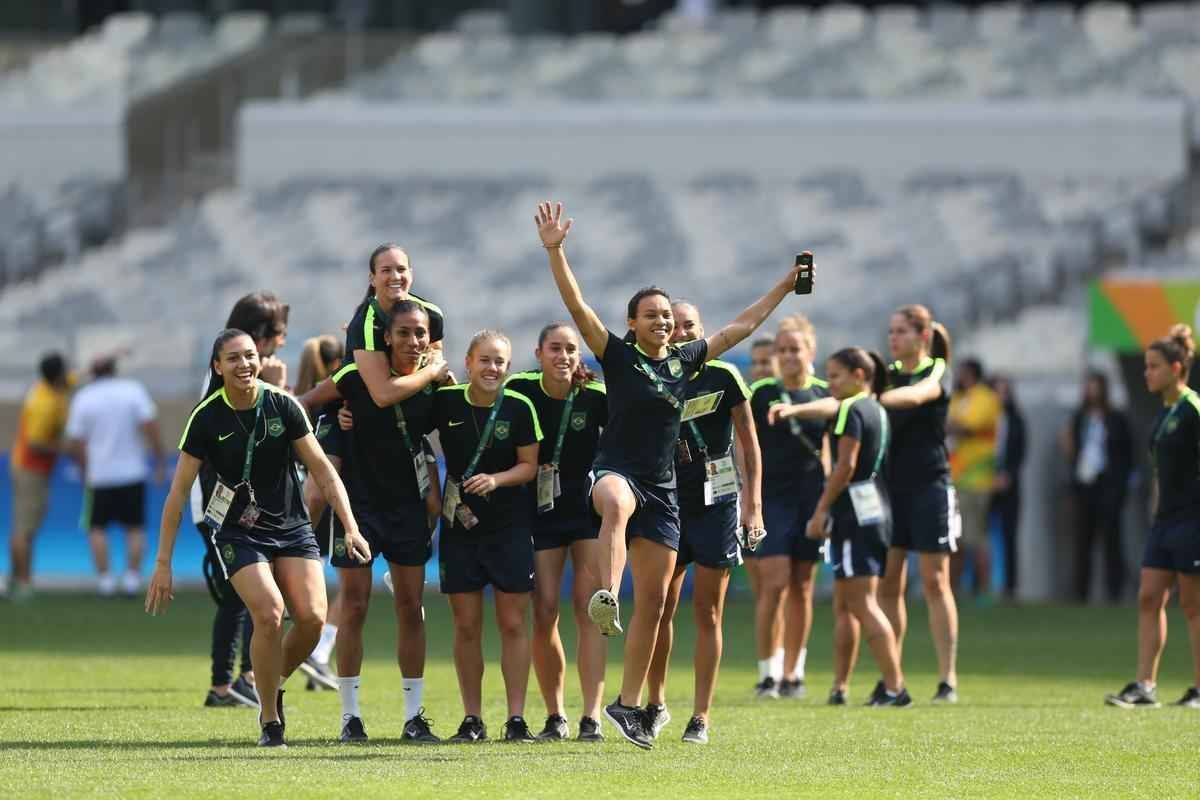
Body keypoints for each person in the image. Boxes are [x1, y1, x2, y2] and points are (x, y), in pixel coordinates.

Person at [535, 200, 811, 749]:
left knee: (658, 605)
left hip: (664, 490)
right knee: (616, 504)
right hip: (617, 473)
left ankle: (627, 705)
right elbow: (575, 303)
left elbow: (742, 326)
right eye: (652, 315)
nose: (662, 321)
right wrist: (555, 250)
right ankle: (607, 595)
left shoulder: (686, 362)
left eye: (667, 315)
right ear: (631, 324)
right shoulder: (617, 356)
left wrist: (784, 286)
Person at [146, 328, 371, 748]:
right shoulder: (206, 416)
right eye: (233, 358)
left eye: (250, 355)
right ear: (217, 366)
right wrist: (162, 563)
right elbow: (177, 494)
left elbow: (323, 470)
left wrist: (350, 526)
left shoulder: (283, 404)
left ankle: (272, 683)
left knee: (313, 618)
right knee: (269, 613)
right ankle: (270, 720)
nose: (244, 364)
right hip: (237, 530)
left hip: (291, 526)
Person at [326, 302, 449, 743]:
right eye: (403, 333)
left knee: (411, 608)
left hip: (408, 509)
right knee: (354, 606)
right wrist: (333, 419)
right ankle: (350, 717)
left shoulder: (437, 386)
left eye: (420, 333)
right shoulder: (355, 377)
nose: (413, 341)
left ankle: (414, 717)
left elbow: (464, 419)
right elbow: (304, 405)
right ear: (387, 338)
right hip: (357, 508)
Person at [643, 300, 761, 745]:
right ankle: (656, 704)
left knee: (708, 611)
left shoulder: (724, 375)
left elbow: (749, 444)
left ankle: (701, 716)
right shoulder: (651, 376)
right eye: (673, 325)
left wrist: (754, 505)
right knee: (659, 608)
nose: (680, 332)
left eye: (689, 325)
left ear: (702, 330)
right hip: (667, 501)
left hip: (718, 501)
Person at [775, 347, 911, 707]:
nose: (830, 383)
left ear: (859, 376)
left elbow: (845, 466)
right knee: (849, 603)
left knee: (862, 604)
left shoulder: (851, 409)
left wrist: (821, 510)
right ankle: (844, 686)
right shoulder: (876, 408)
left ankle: (895, 687)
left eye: (835, 376)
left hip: (854, 514)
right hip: (877, 509)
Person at [432, 330, 542, 743]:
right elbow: (399, 418)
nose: (492, 368)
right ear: (468, 362)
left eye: (500, 362)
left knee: (513, 623)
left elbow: (529, 465)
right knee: (466, 626)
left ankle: (516, 720)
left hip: (509, 527)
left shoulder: (519, 406)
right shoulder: (445, 401)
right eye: (485, 360)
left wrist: (496, 480)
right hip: (460, 529)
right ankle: (472, 719)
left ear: (508, 367)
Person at [506, 324, 610, 742]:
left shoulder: (596, 395)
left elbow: (634, 426)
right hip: (539, 510)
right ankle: (555, 715)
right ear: (538, 353)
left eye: (571, 349)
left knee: (590, 608)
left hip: (584, 511)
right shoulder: (519, 389)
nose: (563, 356)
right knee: (545, 609)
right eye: (554, 348)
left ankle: (592, 717)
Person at [191, 291, 291, 708]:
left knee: (243, 597)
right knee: (246, 596)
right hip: (223, 505)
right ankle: (238, 680)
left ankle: (231, 683)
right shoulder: (231, 384)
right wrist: (278, 388)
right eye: (278, 333)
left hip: (240, 506)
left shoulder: (240, 375)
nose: (282, 342)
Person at [1106, 325, 1200, 710]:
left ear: (1176, 368)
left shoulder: (1193, 408)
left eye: (1154, 366)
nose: (1147, 373)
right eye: (1145, 366)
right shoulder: (1164, 413)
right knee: (1148, 597)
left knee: (1193, 604)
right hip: (1165, 521)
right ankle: (1145, 686)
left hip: (1193, 519)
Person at [744, 315, 829, 700]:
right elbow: (744, 443)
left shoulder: (823, 394)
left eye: (795, 349)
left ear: (810, 351)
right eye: (783, 350)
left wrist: (828, 504)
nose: (789, 356)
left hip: (811, 498)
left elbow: (834, 445)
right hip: (772, 499)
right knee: (774, 582)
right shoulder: (762, 392)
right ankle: (768, 672)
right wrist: (748, 496)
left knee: (803, 586)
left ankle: (795, 672)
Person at [64, 355, 165, 596]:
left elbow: (75, 440)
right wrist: (160, 460)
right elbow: (150, 426)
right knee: (135, 527)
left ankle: (105, 580)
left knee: (97, 528)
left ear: (93, 372)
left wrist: (83, 468)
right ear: (114, 370)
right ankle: (132, 579)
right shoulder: (133, 390)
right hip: (132, 472)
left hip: (99, 474)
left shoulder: (84, 397)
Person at [293, 335, 346, 691]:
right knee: (351, 586)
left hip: (295, 496)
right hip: (325, 496)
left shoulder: (296, 397)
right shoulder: (334, 403)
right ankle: (319, 651)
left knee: (306, 582)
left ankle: (311, 652)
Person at [1061, 371, 1133, 604]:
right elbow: (1072, 450)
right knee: (1082, 540)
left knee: (1112, 539)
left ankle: (1114, 591)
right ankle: (1080, 593)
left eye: (1095, 386)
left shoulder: (1115, 418)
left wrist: (1122, 485)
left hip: (1108, 485)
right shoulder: (1079, 418)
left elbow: (1126, 454)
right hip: (1084, 485)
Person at [8, 353, 72, 600]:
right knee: (24, 528)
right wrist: (65, 448)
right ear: (58, 375)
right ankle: (23, 583)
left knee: (26, 527)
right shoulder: (43, 404)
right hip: (30, 469)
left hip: (33, 469)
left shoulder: (50, 388)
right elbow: (35, 443)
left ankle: (16, 579)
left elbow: (76, 378)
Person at [948, 358, 1001, 597]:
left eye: (962, 372)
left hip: (978, 478)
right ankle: (953, 588)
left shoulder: (986, 398)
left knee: (976, 537)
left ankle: (984, 589)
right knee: (955, 538)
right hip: (956, 475)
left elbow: (968, 427)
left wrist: (953, 425)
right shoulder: (959, 398)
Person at [990, 375, 1026, 600]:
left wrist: (1007, 475)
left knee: (1009, 533)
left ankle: (1009, 586)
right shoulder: (981, 418)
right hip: (982, 482)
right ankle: (980, 583)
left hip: (1008, 485)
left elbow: (1019, 453)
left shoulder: (1015, 420)